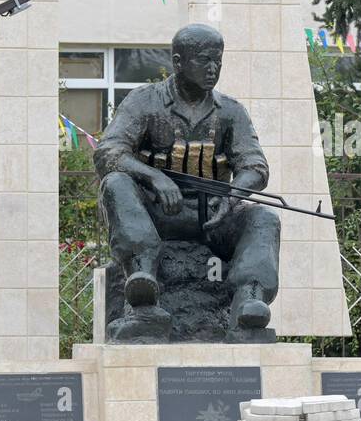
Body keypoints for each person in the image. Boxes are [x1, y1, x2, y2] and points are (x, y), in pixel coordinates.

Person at [94, 23, 280, 336]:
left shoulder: (231, 111)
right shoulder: (144, 102)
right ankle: (142, 283)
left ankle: (249, 300)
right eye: (204, 60)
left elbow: (255, 166)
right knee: (115, 183)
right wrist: (153, 177)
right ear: (178, 62)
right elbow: (108, 153)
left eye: (218, 61)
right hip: (157, 214)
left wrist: (232, 195)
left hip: (213, 217)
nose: (213, 69)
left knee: (264, 217)